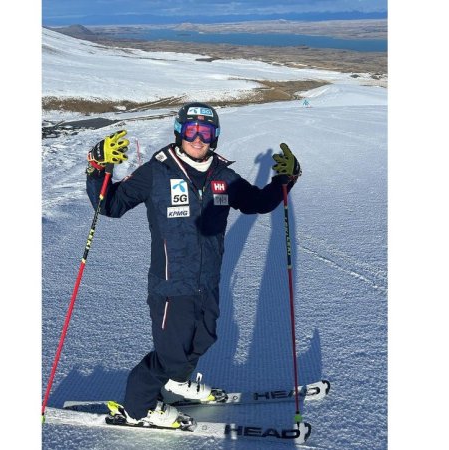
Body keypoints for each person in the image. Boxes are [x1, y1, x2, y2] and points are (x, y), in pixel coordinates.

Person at [84, 102, 302, 429]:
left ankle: (176, 384)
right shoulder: (157, 171)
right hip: (170, 285)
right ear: (179, 132)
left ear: (214, 136)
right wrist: (98, 168)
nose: (198, 139)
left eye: (206, 132)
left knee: (205, 338)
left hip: (207, 282)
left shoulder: (223, 176)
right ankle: (137, 408)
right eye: (191, 131)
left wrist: (285, 179)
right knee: (171, 355)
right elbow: (110, 204)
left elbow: (257, 202)